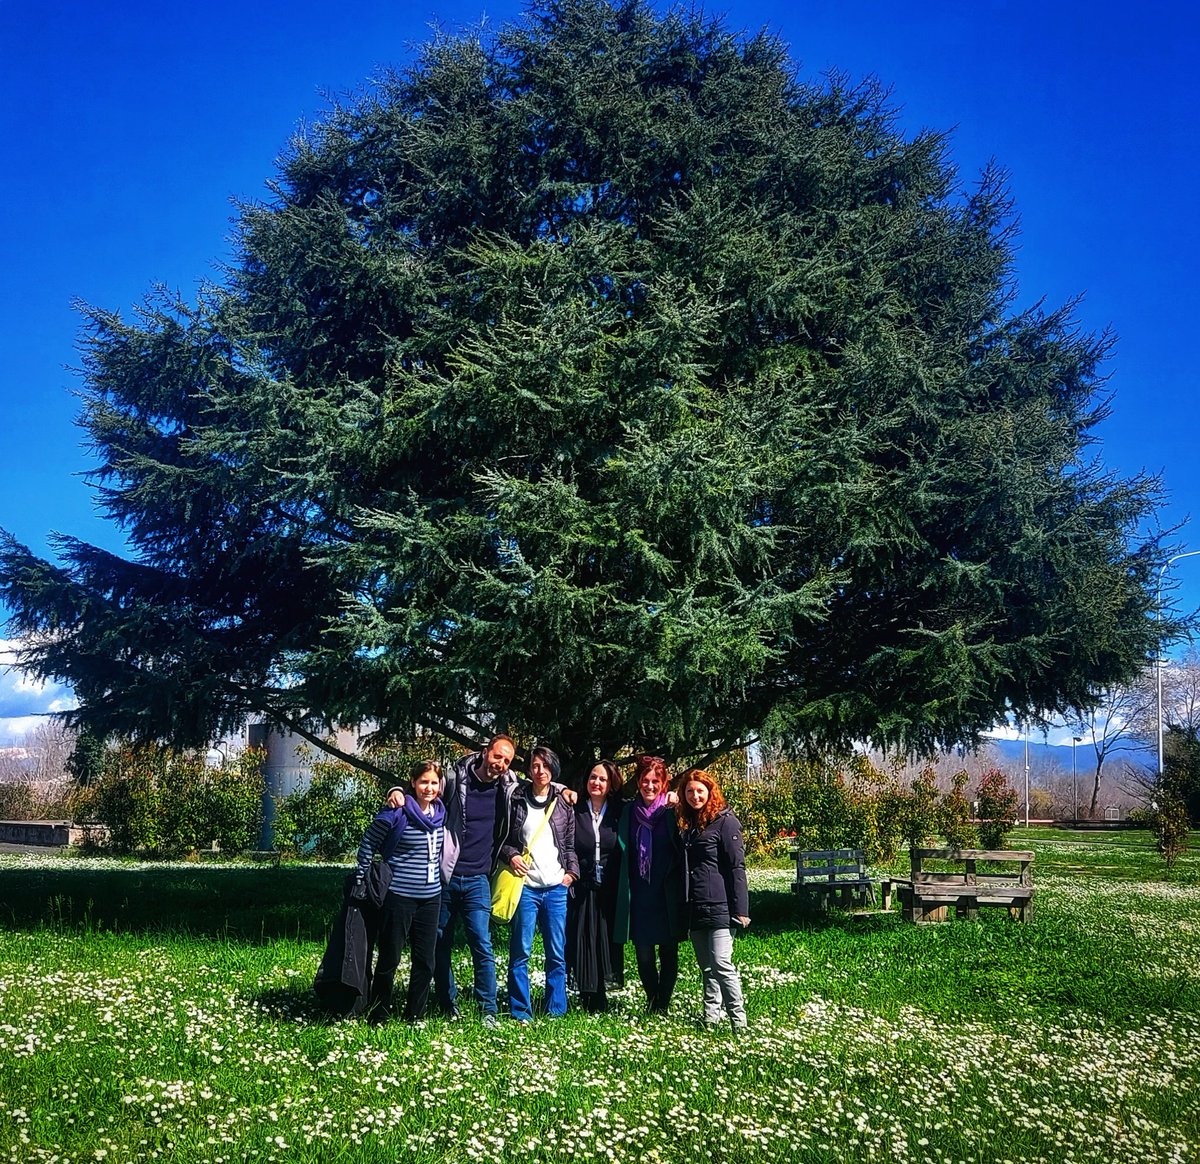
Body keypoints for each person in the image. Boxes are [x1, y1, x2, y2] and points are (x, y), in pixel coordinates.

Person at [385, 735, 572, 1027]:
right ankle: (448, 1004)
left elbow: (540, 784)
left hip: (479, 879)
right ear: (485, 752)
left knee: (482, 944)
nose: (500, 764)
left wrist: (563, 789)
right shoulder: (454, 778)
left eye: (507, 760)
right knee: (440, 943)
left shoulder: (508, 786)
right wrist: (397, 790)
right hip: (446, 877)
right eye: (497, 756)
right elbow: (424, 786)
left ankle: (488, 1010)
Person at [356, 760, 446, 1026]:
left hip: (431, 897)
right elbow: (368, 843)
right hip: (399, 896)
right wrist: (362, 878)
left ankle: (415, 1015)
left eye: (434, 783)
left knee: (426, 961)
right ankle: (379, 1014)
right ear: (413, 783)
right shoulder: (397, 812)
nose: (429, 788)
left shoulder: (441, 814)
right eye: (423, 782)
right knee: (390, 958)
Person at [498, 745, 579, 1022]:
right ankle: (521, 1011)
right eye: (535, 765)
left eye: (545, 765)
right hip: (526, 888)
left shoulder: (564, 802)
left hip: (556, 888)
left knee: (556, 953)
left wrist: (571, 874)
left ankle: (556, 1010)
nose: (540, 771)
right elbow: (504, 840)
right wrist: (511, 856)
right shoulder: (517, 799)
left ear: (553, 769)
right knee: (521, 952)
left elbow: (569, 845)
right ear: (529, 770)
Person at [676, 769, 750, 1031]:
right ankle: (710, 1020)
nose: (695, 796)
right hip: (695, 905)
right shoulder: (688, 823)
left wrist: (741, 909)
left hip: (720, 905)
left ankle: (739, 1022)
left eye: (700, 791)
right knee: (706, 968)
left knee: (721, 964)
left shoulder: (725, 821)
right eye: (689, 791)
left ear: (710, 792)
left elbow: (736, 867)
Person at [615, 755, 686, 1013]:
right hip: (639, 893)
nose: (650, 786)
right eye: (645, 780)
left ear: (664, 783)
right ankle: (653, 999)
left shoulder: (671, 811)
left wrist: (679, 800)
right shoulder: (628, 812)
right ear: (638, 782)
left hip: (666, 893)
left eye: (656, 781)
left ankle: (661, 1005)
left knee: (668, 952)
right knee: (644, 955)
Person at [567, 759, 624, 1012]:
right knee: (583, 937)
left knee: (606, 938)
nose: (596, 782)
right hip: (582, 884)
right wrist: (564, 790)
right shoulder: (575, 807)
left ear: (611, 784)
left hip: (610, 886)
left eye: (602, 779)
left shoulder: (620, 811)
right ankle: (587, 994)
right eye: (593, 777)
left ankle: (601, 995)